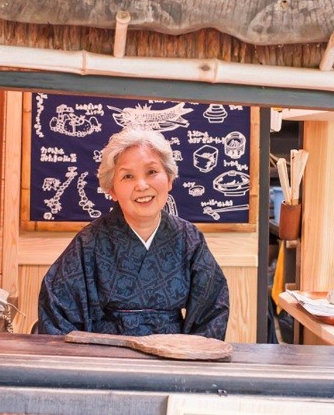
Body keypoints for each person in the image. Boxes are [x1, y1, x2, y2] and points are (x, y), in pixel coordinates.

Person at [37, 128, 229, 340]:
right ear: (112, 189)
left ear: (170, 179)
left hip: (171, 362)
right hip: (105, 361)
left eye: (152, 172)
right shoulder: (89, 242)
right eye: (128, 176)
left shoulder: (188, 239)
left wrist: (189, 359)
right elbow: (57, 311)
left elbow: (212, 310)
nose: (142, 185)